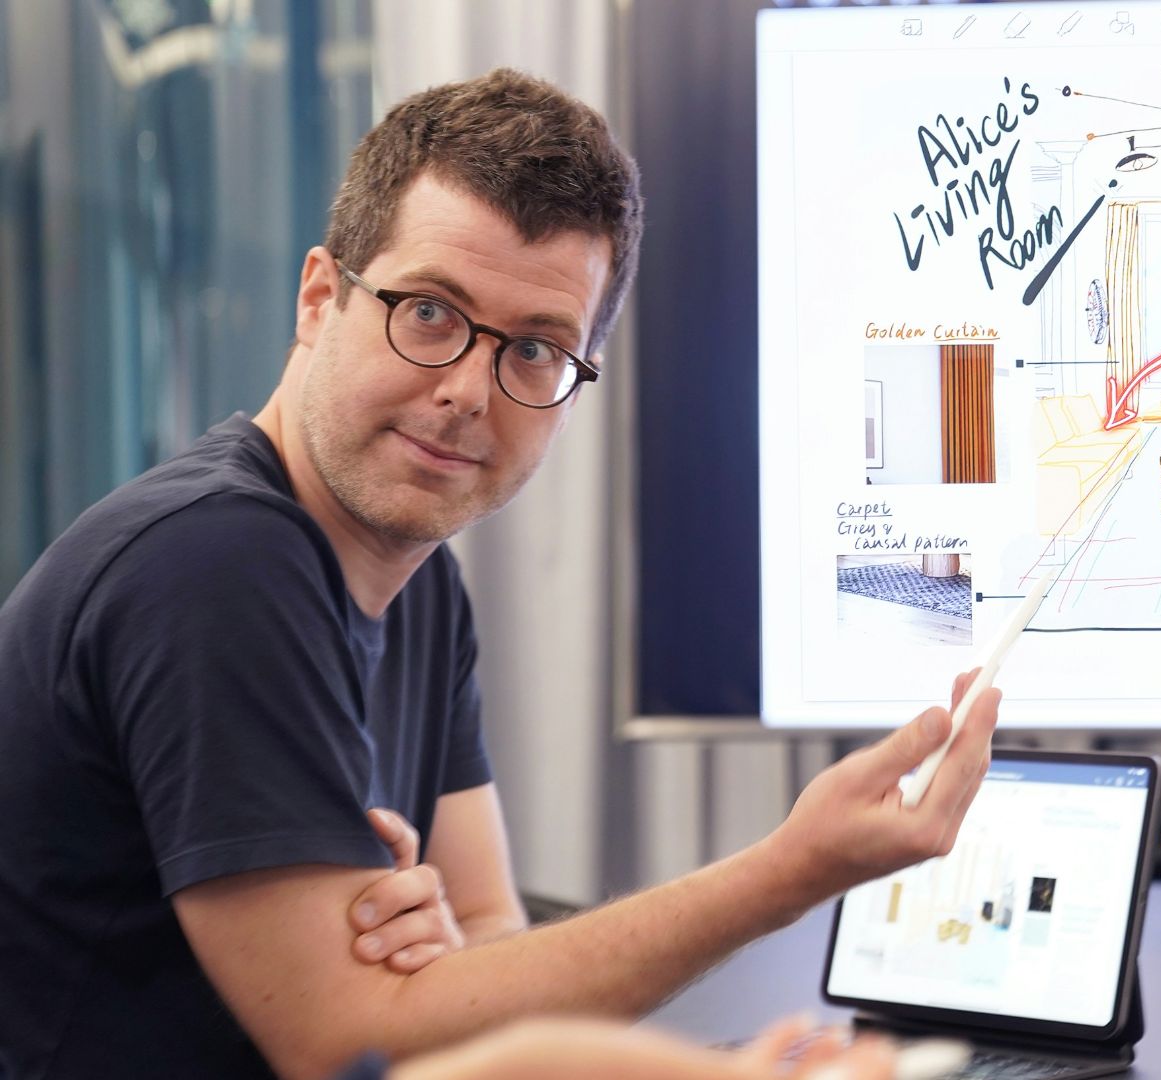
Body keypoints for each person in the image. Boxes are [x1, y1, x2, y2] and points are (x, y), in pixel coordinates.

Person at [0, 68, 1001, 1080]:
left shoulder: (421, 584)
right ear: (319, 298)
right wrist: (788, 873)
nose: (468, 392)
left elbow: (486, 928)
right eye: (430, 312)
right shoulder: (212, 563)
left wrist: (438, 978)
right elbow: (343, 1046)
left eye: (533, 350)